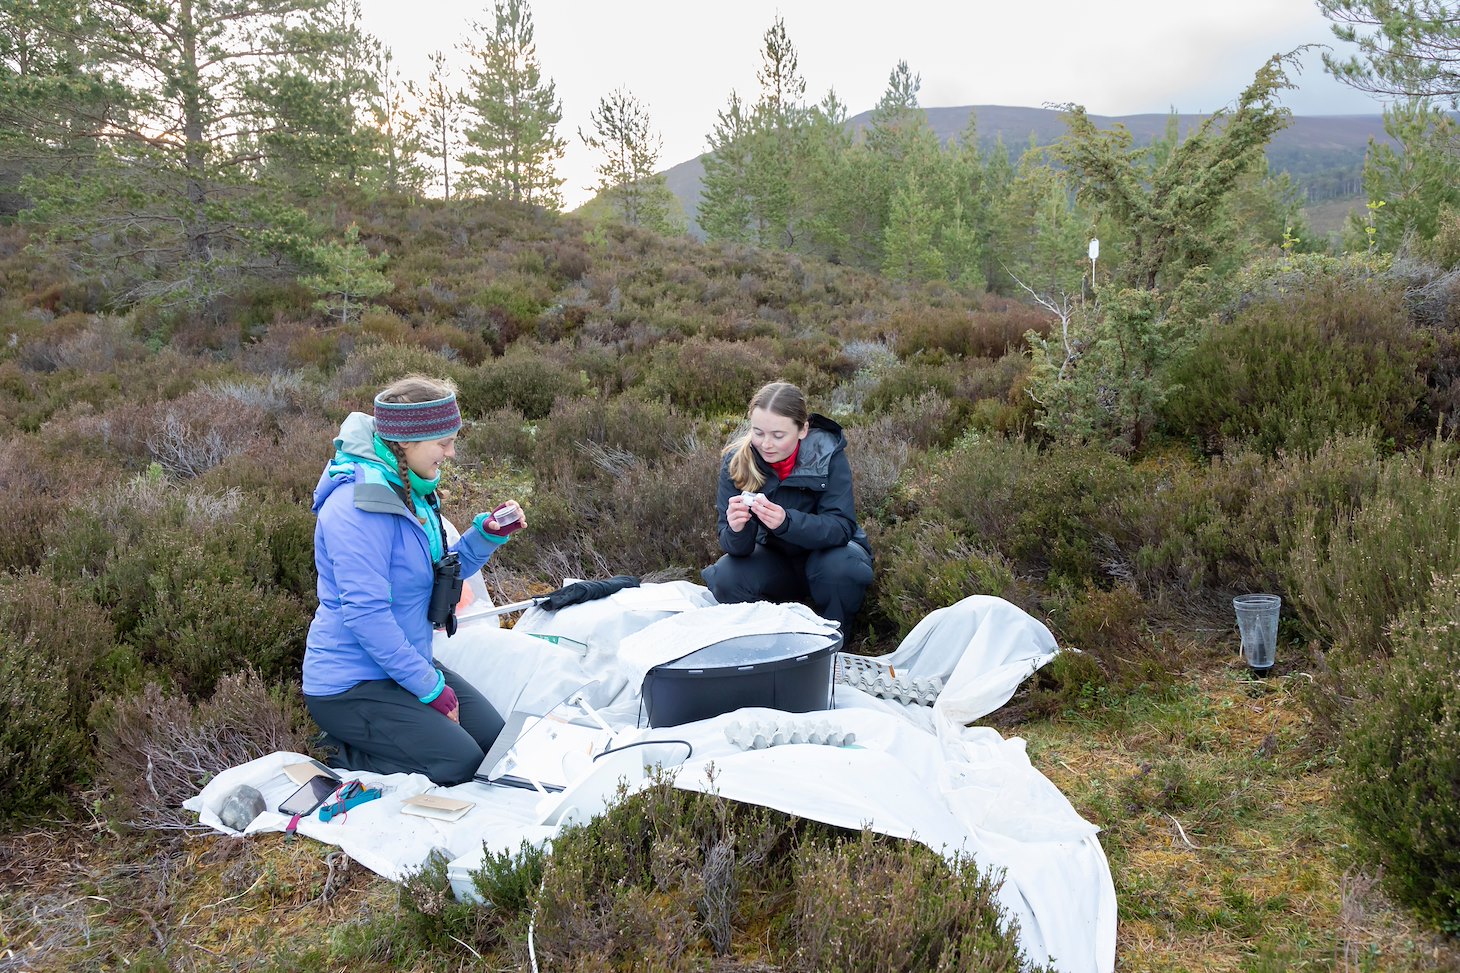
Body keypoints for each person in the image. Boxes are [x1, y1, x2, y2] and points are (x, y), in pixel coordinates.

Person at [303, 375, 527, 784]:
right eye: (443, 443)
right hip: (350, 684)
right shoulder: (356, 507)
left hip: (402, 662)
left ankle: (404, 730)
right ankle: (340, 750)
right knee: (458, 763)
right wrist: (430, 688)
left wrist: (486, 537)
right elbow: (366, 617)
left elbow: (438, 574)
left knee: (496, 744)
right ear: (406, 442)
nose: (451, 452)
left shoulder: (411, 489)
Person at [701, 381, 873, 632]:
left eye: (778, 435)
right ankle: (770, 642)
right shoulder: (737, 461)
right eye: (758, 432)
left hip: (829, 556)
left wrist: (787, 522)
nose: (766, 444)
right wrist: (737, 529)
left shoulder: (828, 454)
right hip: (776, 562)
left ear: (802, 430)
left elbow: (842, 527)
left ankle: (833, 641)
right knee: (726, 577)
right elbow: (734, 547)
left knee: (841, 569)